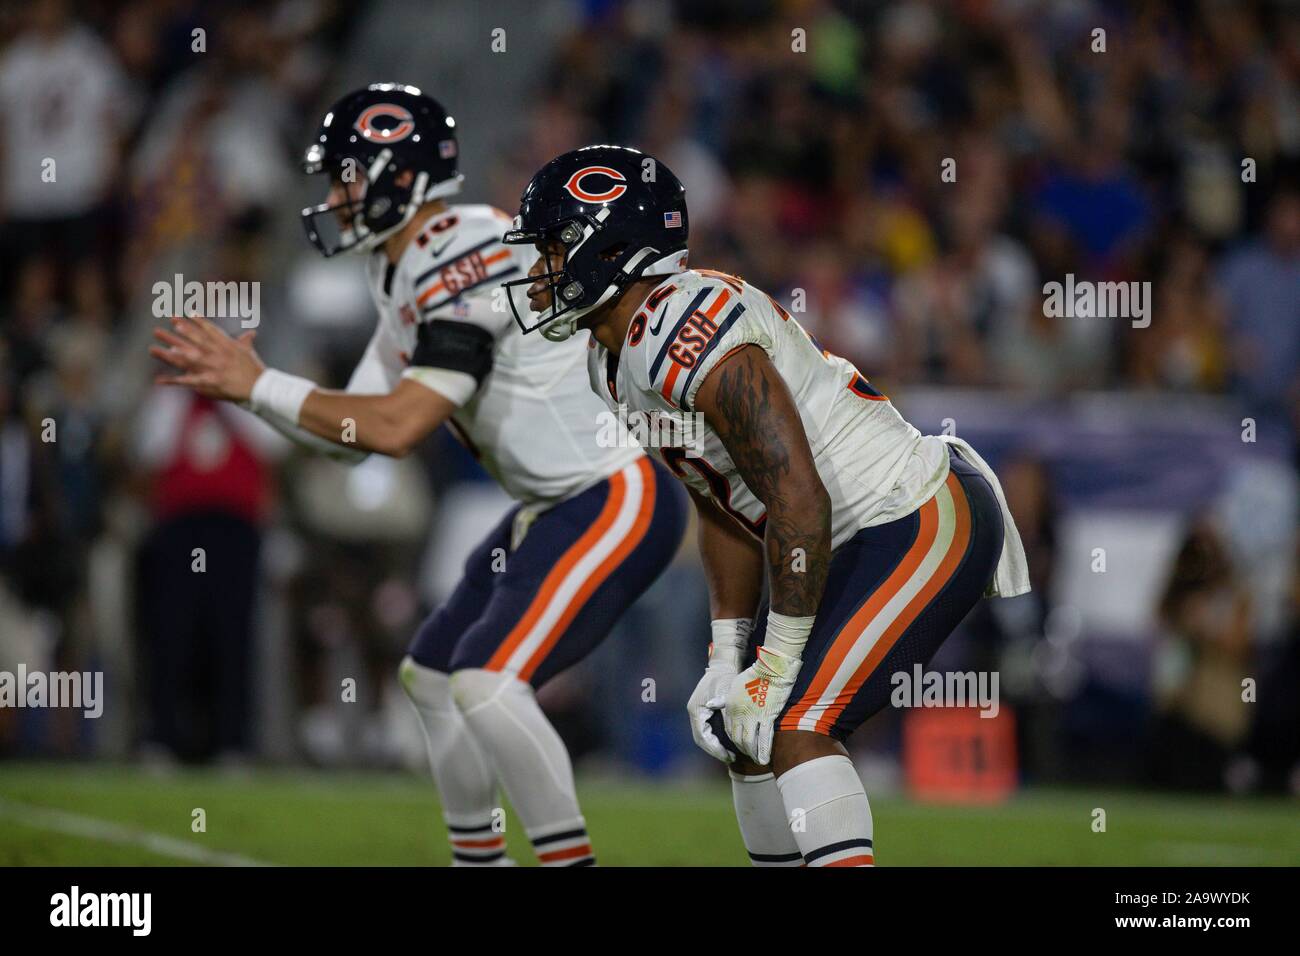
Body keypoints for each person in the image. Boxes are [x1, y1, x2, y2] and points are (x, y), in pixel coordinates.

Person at [148, 89, 686, 866]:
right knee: (432, 676)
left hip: (614, 490)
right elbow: (353, 436)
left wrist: (256, 386)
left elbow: (398, 427)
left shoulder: (461, 257)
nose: (333, 197)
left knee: (486, 683)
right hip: (557, 501)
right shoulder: (407, 266)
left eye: (347, 179)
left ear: (397, 178)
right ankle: (480, 862)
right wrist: (256, 389)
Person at [502, 145, 1030, 867]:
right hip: (846, 533)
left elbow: (796, 495)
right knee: (744, 736)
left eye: (554, 250)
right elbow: (723, 499)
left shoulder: (678, 330)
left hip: (913, 511)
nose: (537, 273)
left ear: (612, 250)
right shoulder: (613, 358)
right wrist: (727, 658)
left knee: (795, 723)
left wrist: (774, 663)